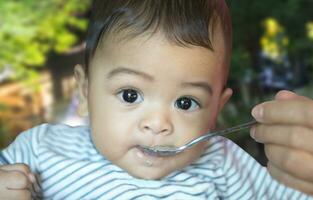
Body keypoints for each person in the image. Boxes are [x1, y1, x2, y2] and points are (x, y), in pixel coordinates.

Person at [0, 0, 312, 199]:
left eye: (185, 103)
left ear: (216, 108)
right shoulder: (42, 149)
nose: (159, 124)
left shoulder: (221, 162)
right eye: (130, 94)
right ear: (84, 92)